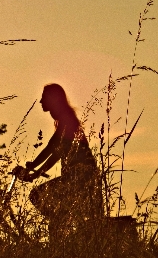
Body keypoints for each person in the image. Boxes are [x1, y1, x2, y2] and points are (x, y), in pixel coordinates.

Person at [14, 84, 103, 235]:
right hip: (77, 177)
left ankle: (61, 222)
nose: (41, 101)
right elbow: (52, 147)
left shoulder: (67, 120)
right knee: (52, 207)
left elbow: (57, 152)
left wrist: (34, 173)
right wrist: (33, 166)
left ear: (53, 99)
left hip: (80, 178)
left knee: (37, 196)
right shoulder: (65, 120)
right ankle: (61, 222)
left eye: (44, 98)